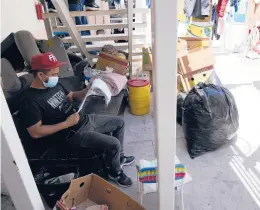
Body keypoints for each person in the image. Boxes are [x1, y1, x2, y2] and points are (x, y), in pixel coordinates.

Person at [20, 52, 135, 187]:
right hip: (71, 134)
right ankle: (115, 172)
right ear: (40, 75)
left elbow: (72, 96)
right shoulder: (29, 101)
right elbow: (35, 132)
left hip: (82, 119)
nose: (57, 76)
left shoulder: (54, 85)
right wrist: (66, 123)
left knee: (119, 123)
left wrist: (88, 91)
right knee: (113, 143)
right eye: (54, 74)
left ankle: (119, 158)